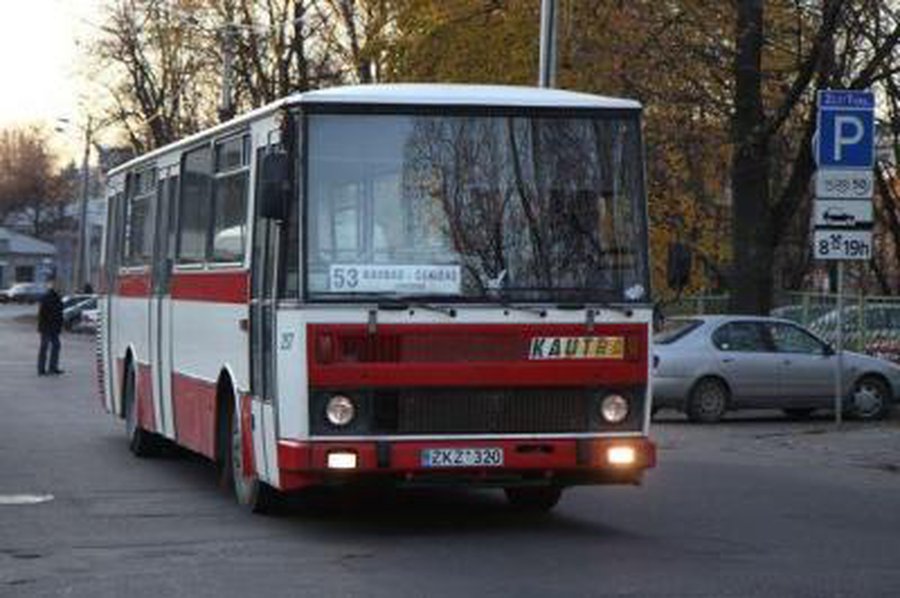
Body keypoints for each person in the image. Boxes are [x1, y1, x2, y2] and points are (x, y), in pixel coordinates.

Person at [37, 276, 64, 376]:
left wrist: (60, 325)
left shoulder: (58, 298)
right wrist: (43, 326)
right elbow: (42, 314)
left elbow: (59, 313)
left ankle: (53, 368)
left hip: (54, 327)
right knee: (44, 347)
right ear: (52, 286)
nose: (59, 287)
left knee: (56, 346)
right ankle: (41, 369)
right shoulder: (47, 297)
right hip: (46, 327)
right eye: (56, 285)